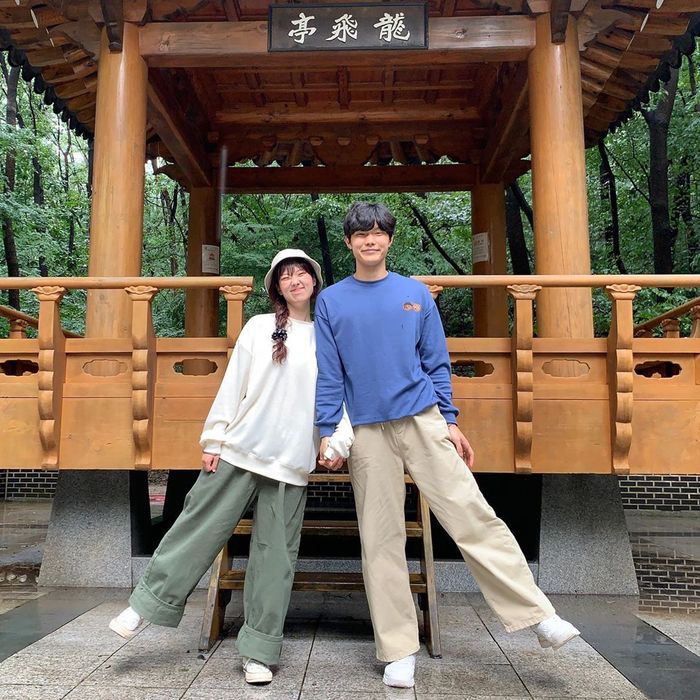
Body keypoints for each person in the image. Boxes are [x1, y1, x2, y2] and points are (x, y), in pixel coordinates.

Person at [315, 202, 580, 689]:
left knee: (470, 512)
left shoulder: (415, 293)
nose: (370, 240)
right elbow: (329, 373)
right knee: (380, 538)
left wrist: (450, 420)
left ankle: (538, 614)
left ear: (390, 239)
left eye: (378, 232)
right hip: (367, 431)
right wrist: (327, 430)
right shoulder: (331, 300)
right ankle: (398, 650)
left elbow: (436, 362)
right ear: (349, 242)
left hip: (422, 418)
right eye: (361, 234)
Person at [109, 249, 354, 685]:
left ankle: (259, 651)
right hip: (240, 449)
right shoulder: (259, 327)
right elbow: (232, 385)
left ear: (315, 282)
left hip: (290, 462)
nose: (295, 280)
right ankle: (145, 604)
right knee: (197, 526)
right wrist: (214, 438)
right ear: (276, 287)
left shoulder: (328, 336)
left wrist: (339, 441)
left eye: (302, 273)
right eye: (285, 276)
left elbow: (340, 396)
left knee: (275, 558)